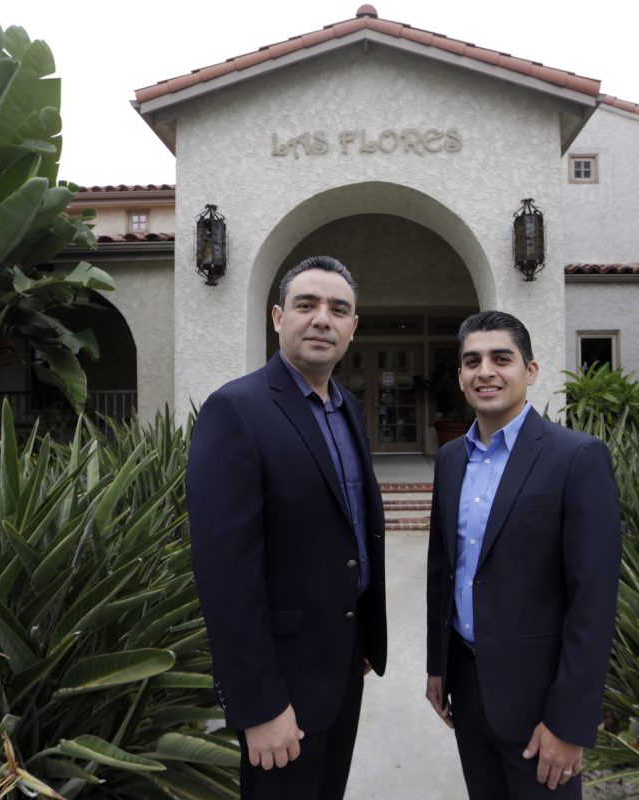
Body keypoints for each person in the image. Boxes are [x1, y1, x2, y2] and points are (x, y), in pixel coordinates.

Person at [187, 255, 387, 800]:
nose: (322, 318)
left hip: (343, 659)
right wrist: (258, 705)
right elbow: (226, 576)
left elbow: (350, 529)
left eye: (338, 309)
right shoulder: (236, 410)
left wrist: (362, 633)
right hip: (281, 683)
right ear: (278, 317)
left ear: (352, 328)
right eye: (307, 304)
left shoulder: (347, 409)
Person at [424, 310, 621, 800]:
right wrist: (438, 665)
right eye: (473, 361)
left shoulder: (577, 457)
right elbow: (443, 570)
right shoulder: (450, 459)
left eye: (501, 358)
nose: (485, 371)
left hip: (541, 704)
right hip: (468, 688)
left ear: (530, 371)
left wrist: (570, 722)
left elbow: (593, 602)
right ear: (460, 377)